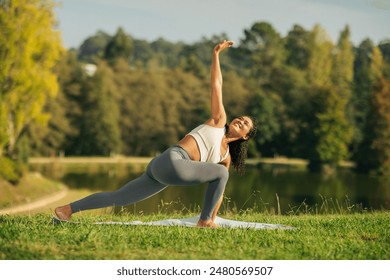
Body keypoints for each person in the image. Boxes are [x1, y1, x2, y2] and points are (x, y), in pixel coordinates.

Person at [54, 40, 257, 228]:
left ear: (246, 136)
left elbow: (218, 191)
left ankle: (67, 210)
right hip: (173, 160)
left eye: (246, 123)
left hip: (161, 171)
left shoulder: (226, 158)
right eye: (241, 118)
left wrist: (215, 217)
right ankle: (203, 222)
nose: (240, 120)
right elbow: (217, 86)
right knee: (220, 173)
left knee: (120, 197)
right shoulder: (218, 121)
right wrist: (215, 55)